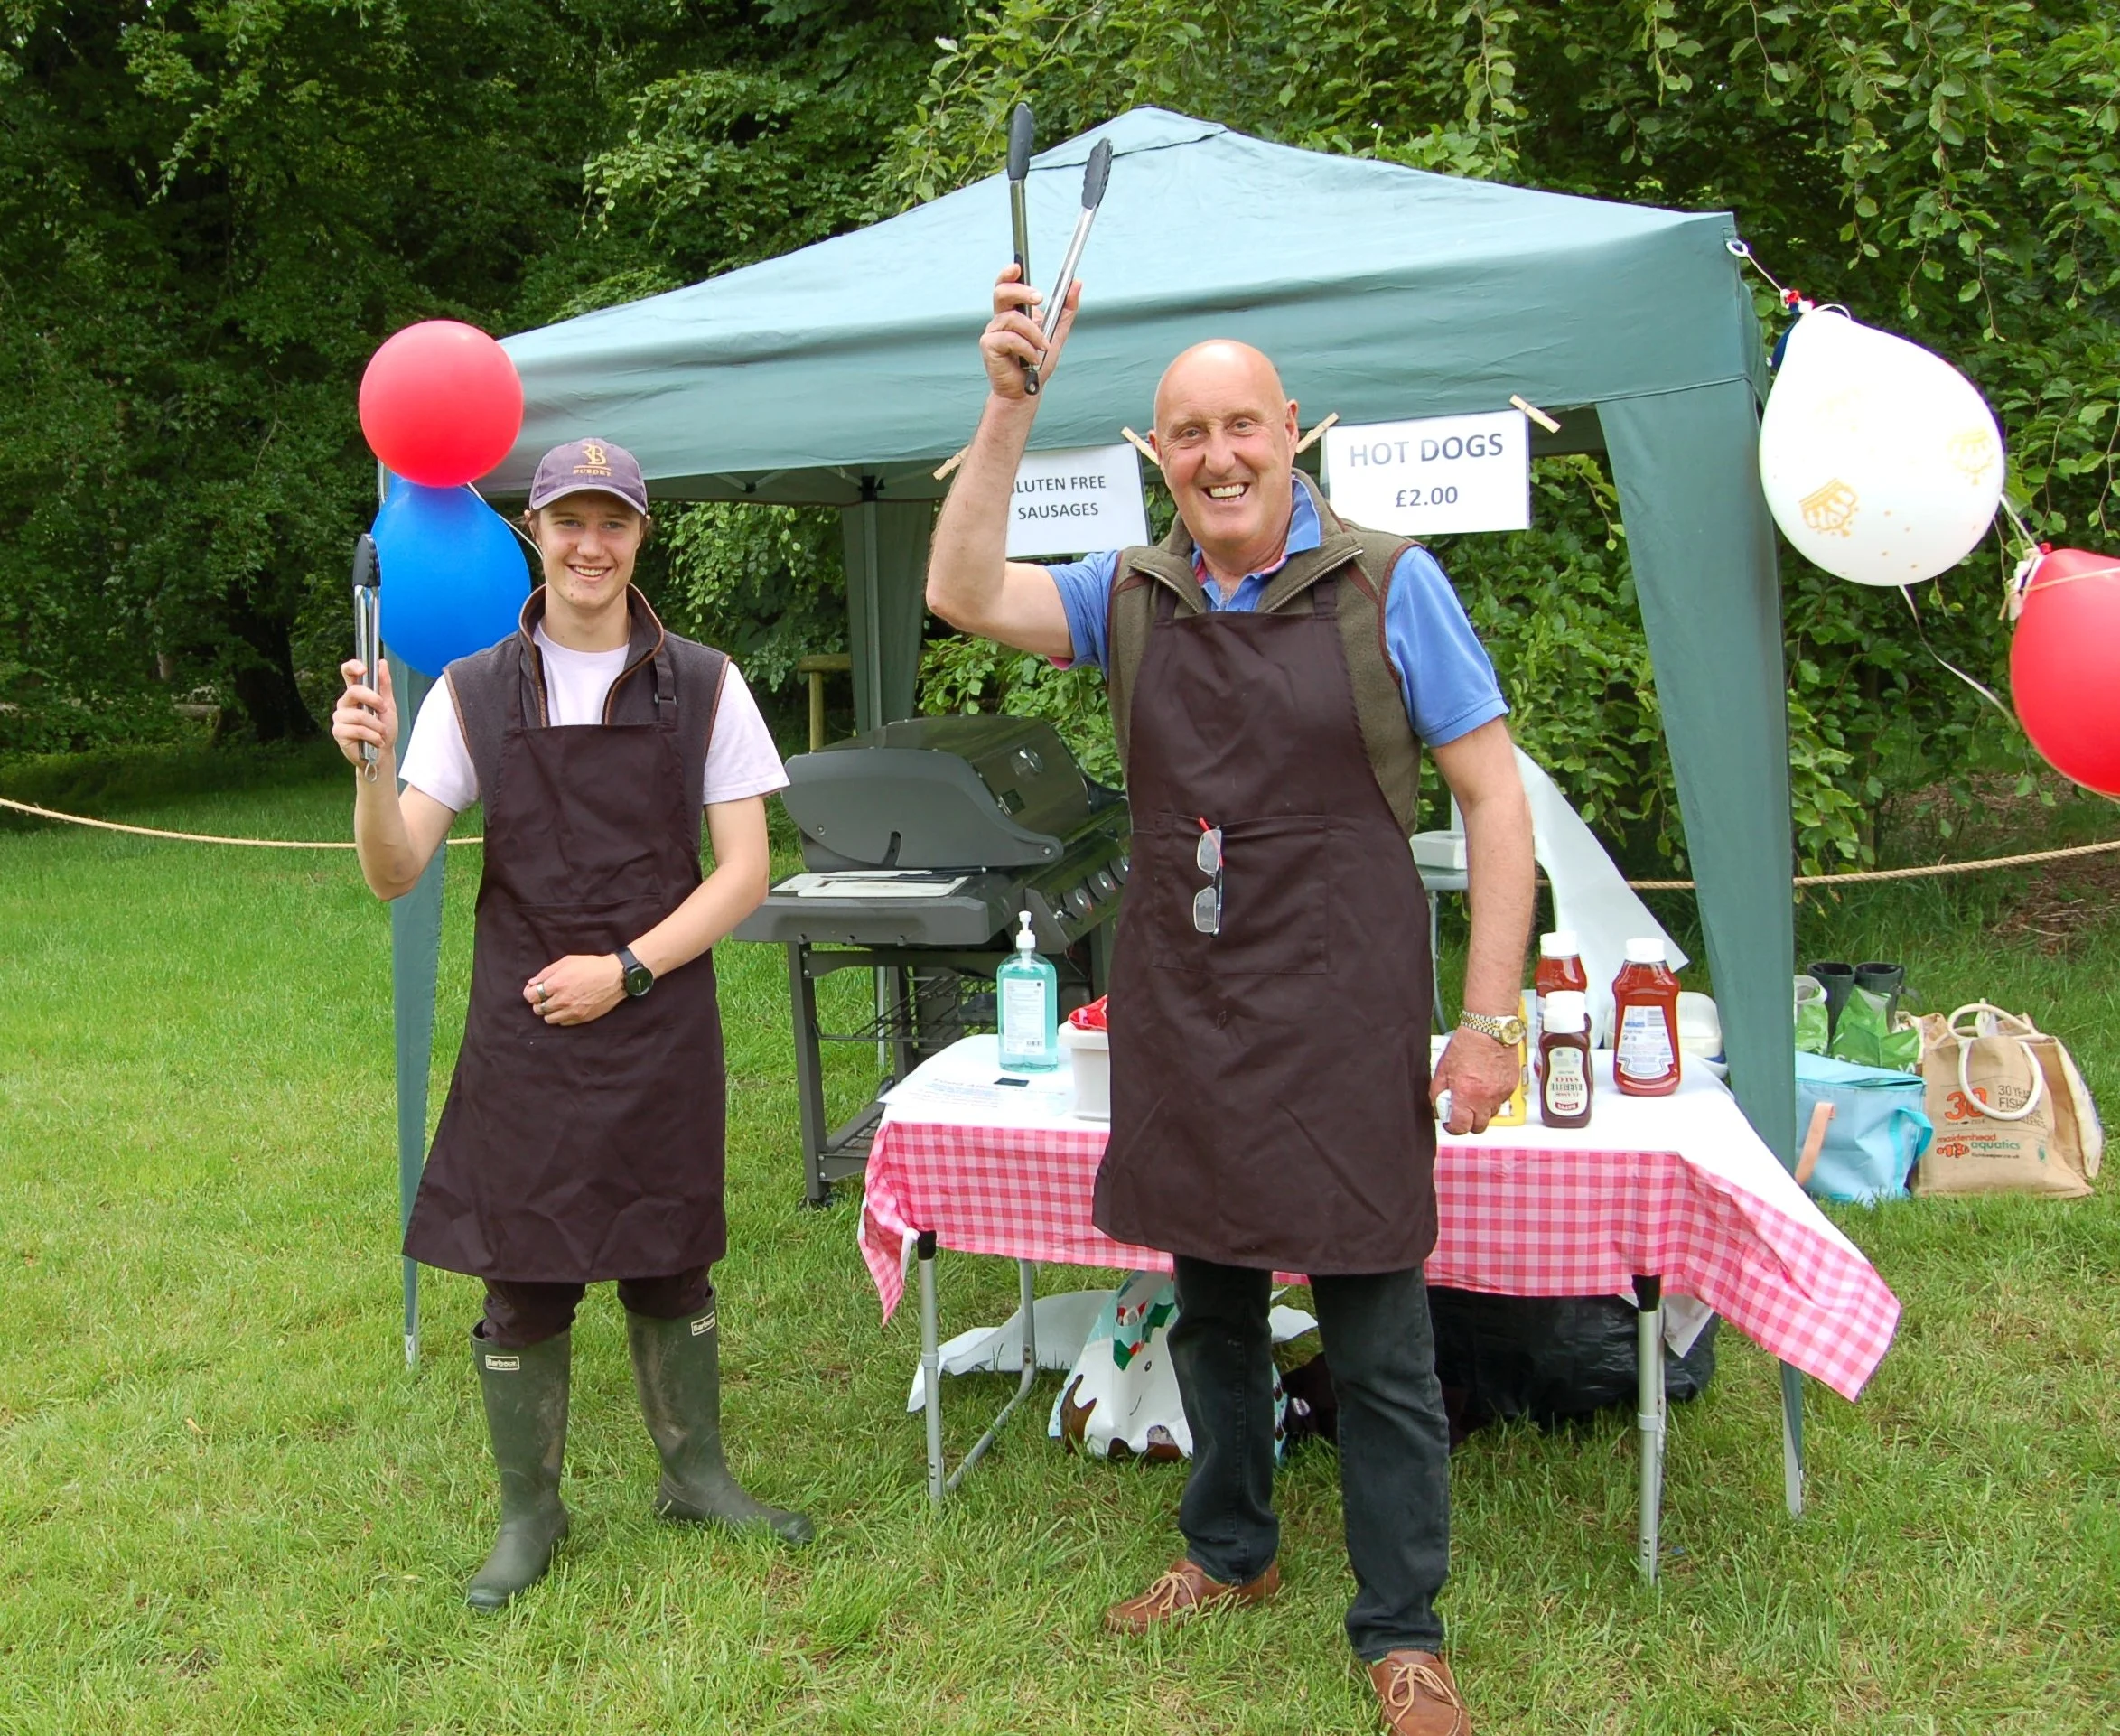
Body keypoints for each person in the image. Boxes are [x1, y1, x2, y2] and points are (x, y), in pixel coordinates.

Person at [925, 272, 1535, 1736]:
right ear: (1157, 455)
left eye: (1241, 425)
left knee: (1380, 1340)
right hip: (1187, 1003)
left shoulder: (1392, 583)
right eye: (1188, 433)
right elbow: (957, 589)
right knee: (1206, 1305)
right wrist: (1007, 408)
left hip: (1342, 1012)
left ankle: (1400, 1628)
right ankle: (1229, 1550)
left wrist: (1487, 1018)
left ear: (1293, 431)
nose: (1218, 455)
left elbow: (1495, 804)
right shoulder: (1126, 596)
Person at [331, 437, 813, 1612]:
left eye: (613, 523)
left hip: (656, 1011)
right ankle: (528, 1513)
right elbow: (396, 872)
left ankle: (695, 1474)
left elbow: (743, 870)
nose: (590, 545)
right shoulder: (472, 688)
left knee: (669, 1257)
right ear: (533, 534)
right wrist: (371, 770)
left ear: (640, 536)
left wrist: (629, 968)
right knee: (526, 1275)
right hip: (528, 1026)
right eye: (567, 522)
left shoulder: (704, 682)